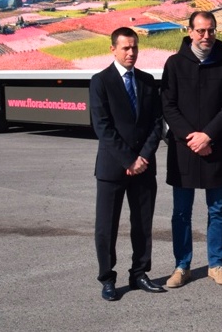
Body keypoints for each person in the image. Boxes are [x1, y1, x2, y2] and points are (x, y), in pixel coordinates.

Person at [160, 11, 222, 288]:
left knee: (217, 209)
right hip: (183, 150)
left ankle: (216, 263)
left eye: (211, 31)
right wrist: (190, 137)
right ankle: (182, 266)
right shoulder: (174, 64)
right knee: (181, 212)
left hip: (214, 147)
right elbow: (168, 105)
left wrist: (207, 136)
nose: (207, 36)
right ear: (190, 31)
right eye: (201, 31)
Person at [90, 27, 165, 301]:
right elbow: (102, 127)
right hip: (113, 168)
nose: (131, 52)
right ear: (113, 49)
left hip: (144, 168)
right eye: (125, 48)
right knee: (106, 227)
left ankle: (140, 273)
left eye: (134, 47)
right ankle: (107, 278)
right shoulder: (101, 81)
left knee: (143, 224)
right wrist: (129, 159)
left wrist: (143, 157)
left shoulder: (146, 81)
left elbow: (157, 123)